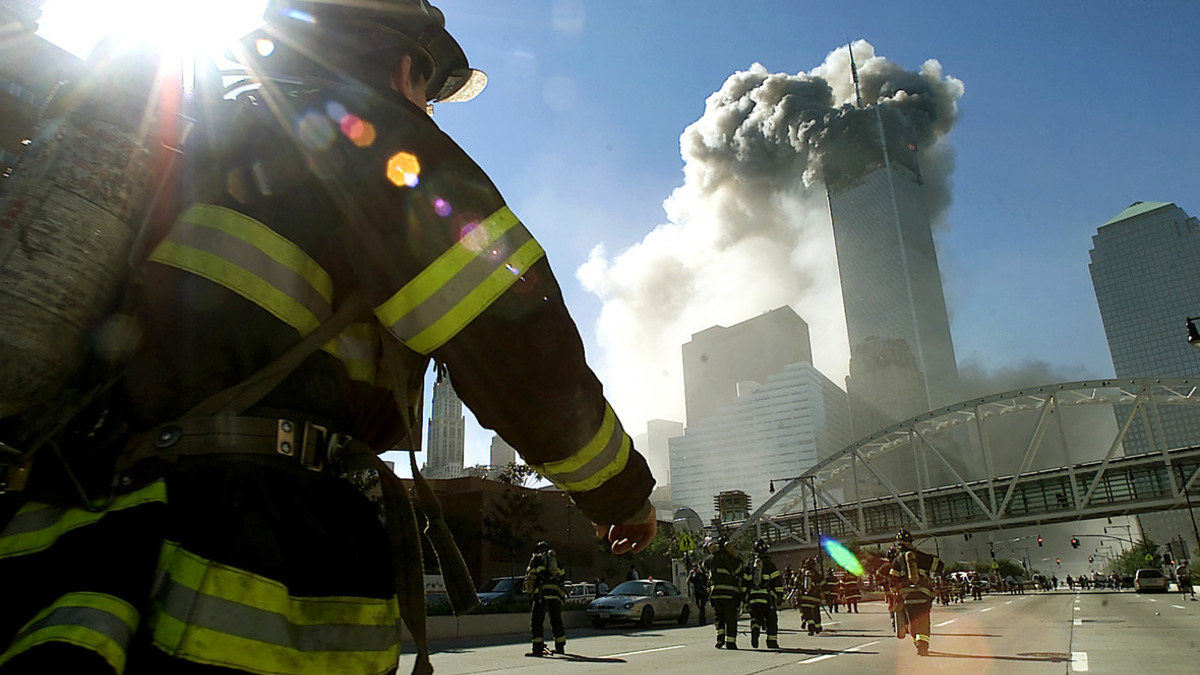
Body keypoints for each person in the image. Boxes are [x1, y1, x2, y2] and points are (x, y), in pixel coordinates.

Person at [0, 2, 659, 674]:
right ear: (405, 65)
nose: (430, 112)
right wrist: (620, 492)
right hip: (243, 556)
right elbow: (516, 341)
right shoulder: (373, 138)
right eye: (430, 93)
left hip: (73, 551)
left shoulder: (205, 144)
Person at [888, 528, 944, 656]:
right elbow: (939, 566)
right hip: (924, 595)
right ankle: (922, 645)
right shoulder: (921, 556)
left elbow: (892, 580)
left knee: (912, 621)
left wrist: (896, 596)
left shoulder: (897, 561)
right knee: (924, 620)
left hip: (908, 597)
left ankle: (917, 643)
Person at [526, 541, 566, 656]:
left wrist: (530, 592)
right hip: (556, 595)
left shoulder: (537, 560)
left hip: (541, 594)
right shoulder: (557, 563)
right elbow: (563, 578)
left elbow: (531, 577)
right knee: (556, 620)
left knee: (537, 621)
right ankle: (560, 647)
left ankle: (537, 649)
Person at [702, 535, 743, 649]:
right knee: (730, 618)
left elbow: (704, 568)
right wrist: (736, 555)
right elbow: (740, 570)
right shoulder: (732, 559)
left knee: (719, 617)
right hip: (730, 594)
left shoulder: (711, 558)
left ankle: (720, 639)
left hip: (715, 593)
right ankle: (731, 642)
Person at [742, 538, 783, 649]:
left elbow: (744, 582)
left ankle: (755, 628)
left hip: (752, 598)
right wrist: (780, 596)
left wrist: (743, 597)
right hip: (766, 597)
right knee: (771, 619)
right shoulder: (770, 565)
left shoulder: (749, 565)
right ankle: (771, 642)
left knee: (755, 617)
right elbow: (777, 582)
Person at [796, 557, 825, 636]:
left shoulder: (801, 573)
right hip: (815, 598)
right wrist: (826, 597)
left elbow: (795, 582)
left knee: (807, 613)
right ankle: (818, 627)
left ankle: (811, 628)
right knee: (816, 612)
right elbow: (823, 584)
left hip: (804, 598)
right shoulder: (816, 574)